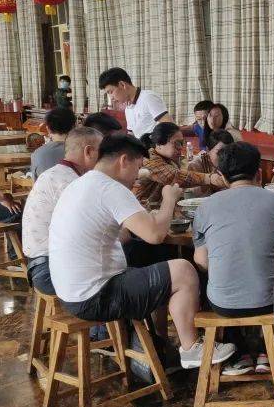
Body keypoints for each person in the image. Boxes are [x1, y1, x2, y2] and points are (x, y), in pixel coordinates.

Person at [48, 134, 235, 369]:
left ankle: (162, 340)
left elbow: (123, 234)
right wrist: (169, 199)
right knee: (184, 270)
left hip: (72, 292)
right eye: (137, 168)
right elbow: (155, 235)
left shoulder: (83, 183)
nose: (137, 176)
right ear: (123, 161)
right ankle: (191, 348)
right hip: (97, 295)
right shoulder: (110, 188)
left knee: (155, 259)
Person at [193, 142, 274, 376]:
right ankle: (267, 350)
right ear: (259, 172)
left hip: (224, 305)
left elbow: (202, 261)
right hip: (272, 303)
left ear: (221, 176)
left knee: (214, 280)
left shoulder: (205, 207)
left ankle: (238, 352)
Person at [21, 127, 102, 295]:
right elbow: (93, 231)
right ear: (88, 152)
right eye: (102, 152)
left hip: (45, 264)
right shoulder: (69, 182)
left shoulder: (57, 173)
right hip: (49, 270)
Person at [133, 122, 226, 205]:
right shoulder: (149, 158)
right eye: (177, 143)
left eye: (182, 143)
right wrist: (209, 178)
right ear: (159, 144)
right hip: (141, 211)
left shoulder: (170, 160)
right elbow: (172, 176)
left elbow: (180, 190)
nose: (181, 147)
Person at [98, 67, 171, 137]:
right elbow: (131, 135)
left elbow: (169, 127)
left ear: (122, 85)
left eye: (111, 92)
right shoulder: (128, 108)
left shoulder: (148, 98)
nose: (111, 98)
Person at [31, 107, 76, 179]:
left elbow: (36, 183)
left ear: (48, 129)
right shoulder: (82, 152)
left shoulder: (38, 154)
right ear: (74, 127)